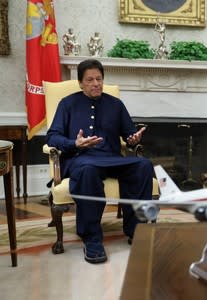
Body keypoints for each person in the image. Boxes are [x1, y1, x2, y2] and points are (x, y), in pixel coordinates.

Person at [46, 59, 153, 264]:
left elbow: (129, 134)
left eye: (99, 79)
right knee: (88, 171)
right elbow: (52, 137)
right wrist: (75, 143)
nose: (96, 83)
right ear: (80, 83)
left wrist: (133, 139)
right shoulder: (68, 103)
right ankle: (92, 238)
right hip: (81, 159)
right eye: (90, 80)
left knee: (143, 166)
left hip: (112, 159)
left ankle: (136, 230)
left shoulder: (116, 104)